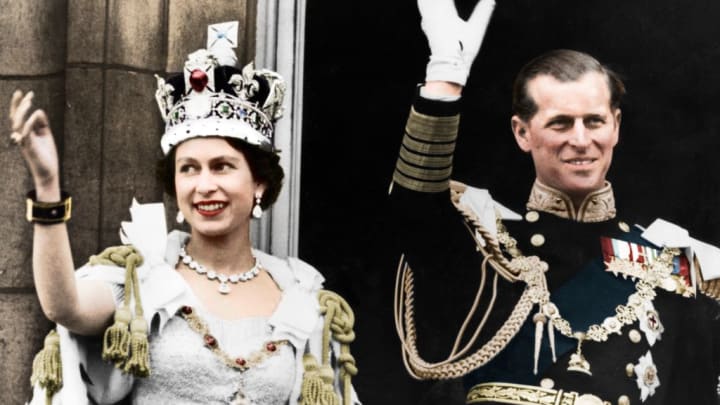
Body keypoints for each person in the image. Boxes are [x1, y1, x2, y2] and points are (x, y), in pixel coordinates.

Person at [391, 1, 720, 404]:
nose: (580, 140)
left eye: (594, 121)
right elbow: (414, 214)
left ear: (615, 125)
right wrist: (444, 81)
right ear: (522, 132)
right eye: (560, 123)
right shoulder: (489, 247)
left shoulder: (672, 265)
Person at [12, 22, 359, 405]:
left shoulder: (301, 294)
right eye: (189, 168)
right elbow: (64, 306)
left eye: (222, 166)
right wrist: (47, 186)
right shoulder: (141, 279)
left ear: (259, 183)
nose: (204, 185)